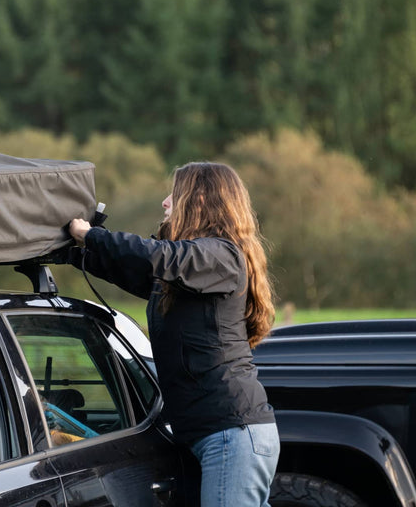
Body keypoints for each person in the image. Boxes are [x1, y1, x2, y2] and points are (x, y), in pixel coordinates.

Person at [68, 161, 279, 507]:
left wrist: (93, 236)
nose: (165, 202)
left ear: (200, 201)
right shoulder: (194, 271)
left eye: (174, 195)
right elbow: (135, 269)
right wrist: (77, 254)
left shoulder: (220, 256)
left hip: (230, 433)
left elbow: (156, 256)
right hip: (212, 435)